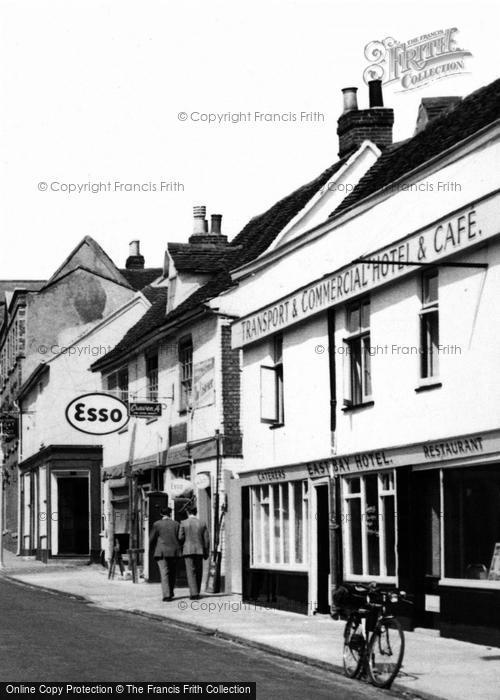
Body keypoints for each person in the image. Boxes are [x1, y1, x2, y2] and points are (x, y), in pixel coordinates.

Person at [149, 506, 180, 601]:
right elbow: (180, 538)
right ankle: (170, 592)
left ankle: (167, 595)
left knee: (164, 573)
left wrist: (152, 550)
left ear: (161, 514)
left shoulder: (157, 524)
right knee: (172, 573)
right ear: (170, 514)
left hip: (161, 552)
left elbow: (152, 539)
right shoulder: (176, 524)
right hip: (174, 552)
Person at [178, 506, 210, 600]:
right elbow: (206, 540)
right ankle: (198, 591)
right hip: (199, 550)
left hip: (188, 550)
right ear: (196, 512)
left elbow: (180, 537)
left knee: (190, 572)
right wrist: (206, 551)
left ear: (188, 512)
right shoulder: (202, 523)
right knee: (199, 571)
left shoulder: (183, 523)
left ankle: (193, 593)